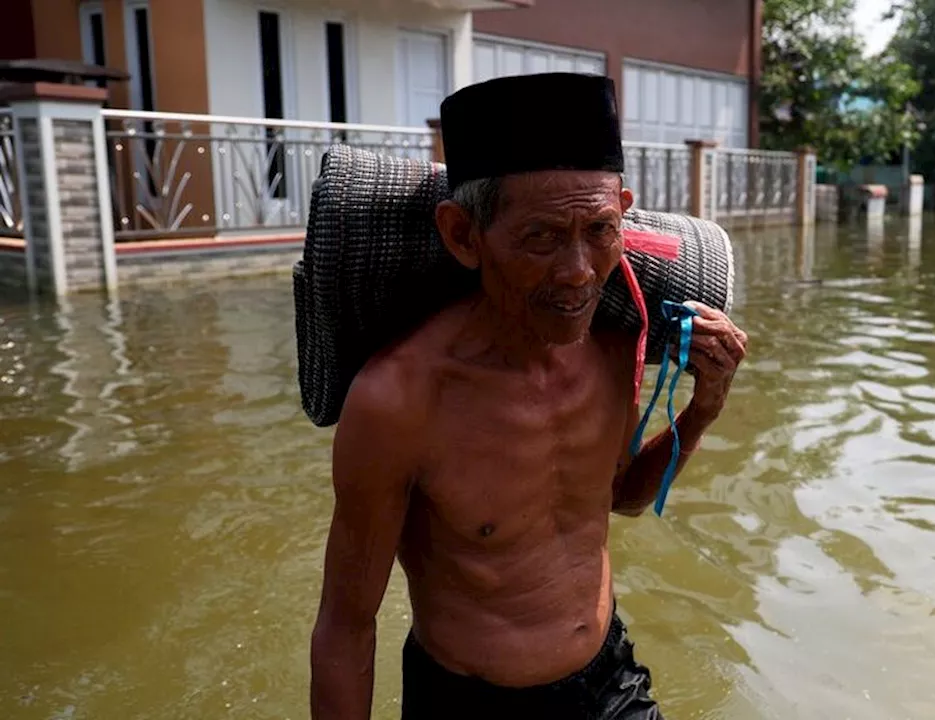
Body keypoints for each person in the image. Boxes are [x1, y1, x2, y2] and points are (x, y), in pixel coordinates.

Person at [308, 73, 749, 720]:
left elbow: (621, 499)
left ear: (622, 212)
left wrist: (702, 407)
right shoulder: (400, 400)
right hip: (472, 703)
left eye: (599, 231)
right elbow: (346, 628)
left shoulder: (614, 343)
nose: (577, 273)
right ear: (463, 235)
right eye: (541, 238)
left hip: (609, 681)